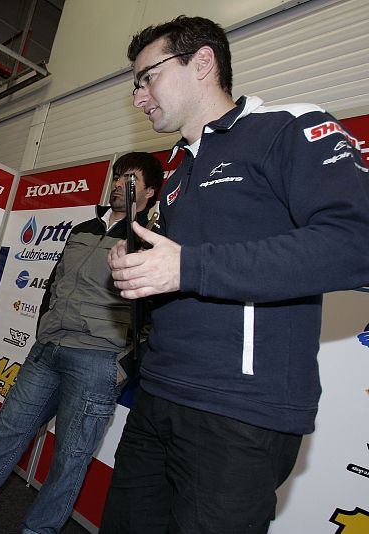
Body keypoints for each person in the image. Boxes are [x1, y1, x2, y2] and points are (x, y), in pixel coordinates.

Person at [101, 16, 369, 534]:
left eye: (147, 78)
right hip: (158, 393)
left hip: (238, 413)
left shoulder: (286, 128)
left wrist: (187, 266)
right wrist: (140, 270)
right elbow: (184, 279)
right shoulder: (177, 172)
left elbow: (355, 244)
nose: (138, 98)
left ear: (202, 61)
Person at [0, 152, 164, 534]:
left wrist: (125, 364)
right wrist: (43, 331)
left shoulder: (149, 240)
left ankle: (39, 529)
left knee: (70, 456)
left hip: (98, 359)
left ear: (149, 191)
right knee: (7, 431)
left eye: (129, 179)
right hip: (48, 350)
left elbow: (156, 310)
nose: (118, 184)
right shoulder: (83, 228)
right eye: (117, 177)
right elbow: (54, 284)